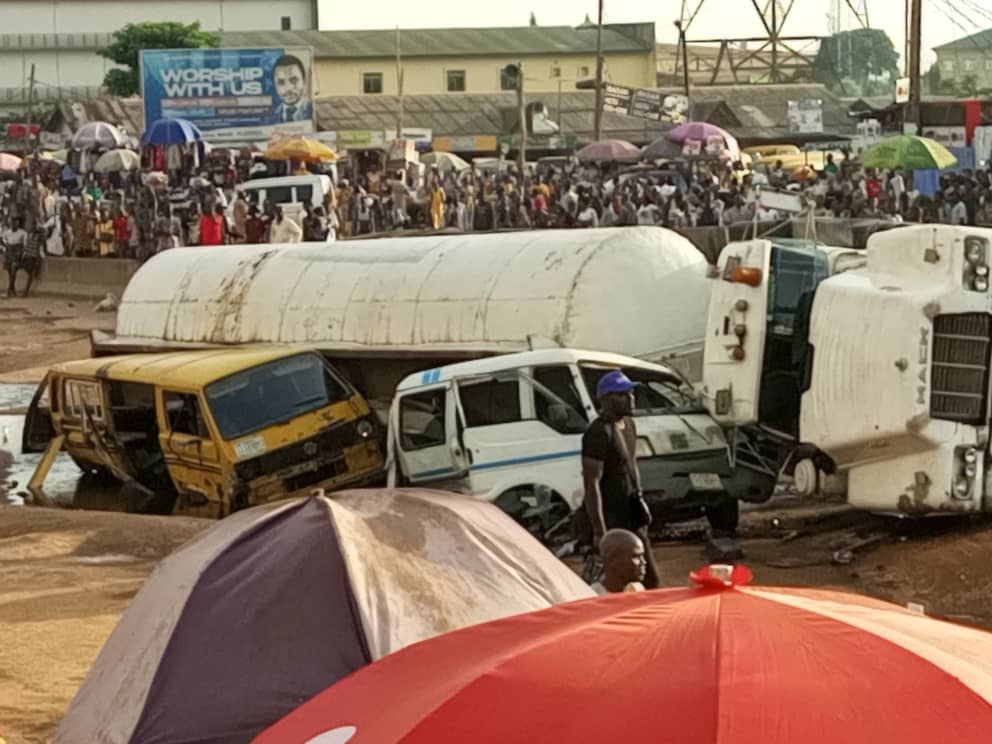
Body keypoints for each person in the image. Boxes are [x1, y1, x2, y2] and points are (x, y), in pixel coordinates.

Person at [581, 369, 660, 589]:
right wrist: (600, 531)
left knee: (649, 579)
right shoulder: (598, 432)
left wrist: (640, 499)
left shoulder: (629, 425)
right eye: (622, 394)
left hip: (632, 514)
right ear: (605, 400)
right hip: (613, 520)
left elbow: (631, 464)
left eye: (631, 393)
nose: (630, 398)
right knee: (618, 581)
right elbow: (591, 483)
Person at [590, 529, 647, 595]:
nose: (644, 562)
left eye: (642, 556)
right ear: (612, 560)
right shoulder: (593, 597)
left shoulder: (636, 589)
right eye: (636, 557)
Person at [272, 54, 313, 123]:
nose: (288, 88)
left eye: (294, 80)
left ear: (304, 80)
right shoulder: (269, 118)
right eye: (281, 82)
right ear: (274, 85)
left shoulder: (313, 111)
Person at [2, 218, 28, 297]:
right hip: (9, 250)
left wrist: (23, 253)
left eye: (15, 223)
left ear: (18, 224)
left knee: (14, 269)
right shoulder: (7, 232)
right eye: (12, 223)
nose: (13, 225)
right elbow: (3, 240)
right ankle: (13, 290)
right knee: (10, 272)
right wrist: (4, 248)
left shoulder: (23, 233)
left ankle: (9, 290)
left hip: (17, 251)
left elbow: (25, 244)